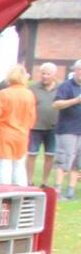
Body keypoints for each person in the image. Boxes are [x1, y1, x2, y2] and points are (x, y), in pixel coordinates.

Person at [0, 65, 38, 186]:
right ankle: (22, 196)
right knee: (19, 167)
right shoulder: (29, 94)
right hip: (22, 134)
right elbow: (32, 118)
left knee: (4, 166)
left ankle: (4, 197)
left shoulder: (4, 93)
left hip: (4, 134)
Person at [31, 61, 63, 186]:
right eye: (43, 73)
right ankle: (29, 181)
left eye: (48, 74)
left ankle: (45, 182)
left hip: (54, 128)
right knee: (31, 154)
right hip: (35, 127)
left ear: (54, 75)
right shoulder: (33, 88)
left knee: (50, 155)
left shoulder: (61, 88)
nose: (45, 76)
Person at [55, 61, 81, 200]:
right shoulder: (66, 86)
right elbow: (56, 104)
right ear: (75, 70)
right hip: (67, 130)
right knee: (64, 160)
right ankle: (58, 190)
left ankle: (71, 191)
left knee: (77, 162)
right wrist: (76, 100)